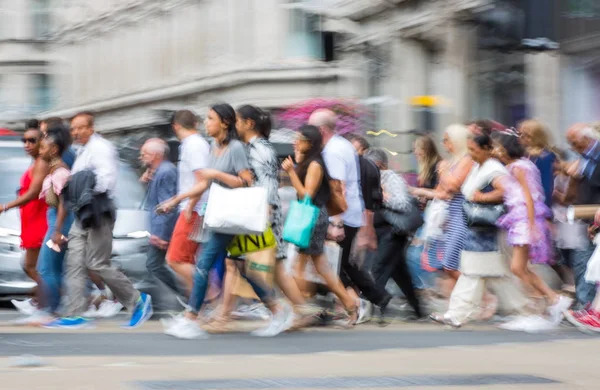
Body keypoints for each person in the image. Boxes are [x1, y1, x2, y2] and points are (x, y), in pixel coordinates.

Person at [159, 103, 292, 339]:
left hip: (231, 215)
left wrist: (216, 175)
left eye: (211, 119)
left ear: (225, 123)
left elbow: (246, 181)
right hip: (220, 214)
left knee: (203, 264)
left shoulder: (236, 148)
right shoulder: (213, 147)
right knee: (243, 269)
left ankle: (190, 319)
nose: (206, 123)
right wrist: (177, 200)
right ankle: (278, 310)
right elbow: (204, 183)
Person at [45, 112, 152, 329]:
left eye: (80, 128)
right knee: (73, 262)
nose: (76, 132)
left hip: (97, 212)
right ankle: (76, 313)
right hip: (81, 214)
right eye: (73, 129)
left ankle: (138, 301)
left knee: (97, 264)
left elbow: (107, 179)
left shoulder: (101, 148)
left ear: (91, 128)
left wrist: (86, 192)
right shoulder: (81, 151)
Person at [209, 105, 309, 331]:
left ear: (248, 123)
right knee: (265, 265)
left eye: (237, 121)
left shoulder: (260, 149)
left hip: (261, 214)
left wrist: (266, 212)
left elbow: (268, 183)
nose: (234, 125)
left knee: (236, 262)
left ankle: (224, 317)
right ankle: (301, 311)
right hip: (256, 213)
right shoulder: (250, 147)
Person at [430, 129, 529, 328]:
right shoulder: (480, 166)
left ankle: (523, 310)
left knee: (478, 272)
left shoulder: (492, 168)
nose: (471, 154)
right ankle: (522, 310)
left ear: (486, 149)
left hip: (485, 229)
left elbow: (505, 191)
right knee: (484, 273)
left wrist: (481, 197)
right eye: (469, 150)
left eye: (474, 150)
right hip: (477, 228)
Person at [308, 110, 392, 317]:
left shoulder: (333, 151)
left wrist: (335, 223)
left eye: (311, 128)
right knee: (343, 264)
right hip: (349, 214)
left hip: (342, 215)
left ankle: (355, 303)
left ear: (322, 130)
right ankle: (376, 298)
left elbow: (339, 188)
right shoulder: (341, 145)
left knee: (331, 264)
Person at [492, 131, 572, 326]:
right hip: (520, 218)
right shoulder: (517, 166)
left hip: (524, 219)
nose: (497, 151)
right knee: (520, 268)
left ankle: (549, 300)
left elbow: (529, 196)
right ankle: (545, 303)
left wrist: (532, 224)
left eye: (499, 147)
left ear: (507, 148)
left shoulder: (519, 167)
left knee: (518, 268)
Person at [282, 125, 358, 323]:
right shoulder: (308, 162)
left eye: (300, 139)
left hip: (313, 218)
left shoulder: (315, 164)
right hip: (312, 216)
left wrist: (291, 172)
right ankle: (349, 304)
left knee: (299, 266)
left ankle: (299, 310)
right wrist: (297, 164)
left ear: (311, 142)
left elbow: (307, 194)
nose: (296, 142)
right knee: (321, 267)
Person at [15, 126, 76, 324]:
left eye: (43, 148)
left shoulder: (60, 173)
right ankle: (51, 309)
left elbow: (64, 205)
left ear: (54, 150)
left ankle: (51, 311)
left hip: (58, 222)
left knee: (48, 268)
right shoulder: (54, 170)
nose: (39, 151)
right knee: (47, 267)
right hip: (54, 220)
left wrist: (57, 230)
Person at [364, 148, 422, 320]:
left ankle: (373, 305)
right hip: (380, 231)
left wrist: (381, 195)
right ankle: (418, 309)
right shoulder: (371, 179)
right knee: (400, 273)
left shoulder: (391, 178)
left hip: (393, 231)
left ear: (380, 165)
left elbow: (403, 204)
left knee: (377, 269)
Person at [1, 122, 49, 315]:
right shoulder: (35, 162)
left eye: (32, 140)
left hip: (39, 220)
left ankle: (52, 297)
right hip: (31, 219)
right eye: (24, 140)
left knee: (29, 265)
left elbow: (33, 192)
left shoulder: (42, 163)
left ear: (41, 142)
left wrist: (5, 206)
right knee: (36, 266)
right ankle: (43, 299)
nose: (27, 144)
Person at [165, 110, 210, 296]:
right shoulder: (193, 144)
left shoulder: (194, 145)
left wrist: (190, 206)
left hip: (194, 209)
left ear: (176, 126)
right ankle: (198, 307)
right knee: (187, 260)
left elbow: (202, 180)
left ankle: (210, 296)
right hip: (195, 208)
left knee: (175, 259)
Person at [140, 138, 184, 305]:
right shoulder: (159, 171)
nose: (141, 157)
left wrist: (160, 234)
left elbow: (167, 205)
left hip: (162, 229)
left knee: (154, 265)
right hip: (159, 228)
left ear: (156, 155)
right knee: (159, 265)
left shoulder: (166, 172)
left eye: (144, 154)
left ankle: (186, 294)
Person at [564, 123, 600, 308]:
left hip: (595, 214)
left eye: (574, 142)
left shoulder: (595, 155)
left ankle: (586, 306)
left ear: (587, 139)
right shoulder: (584, 157)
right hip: (586, 215)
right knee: (583, 261)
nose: (571, 147)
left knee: (589, 262)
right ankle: (584, 305)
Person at [519, 120, 556, 208]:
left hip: (539, 205)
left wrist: (545, 208)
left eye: (526, 136)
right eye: (520, 134)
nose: (521, 138)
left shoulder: (545, 157)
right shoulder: (525, 154)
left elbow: (547, 185)